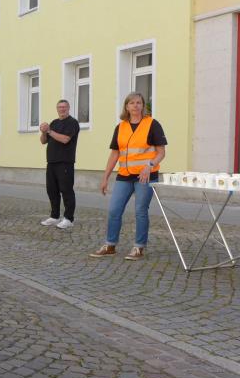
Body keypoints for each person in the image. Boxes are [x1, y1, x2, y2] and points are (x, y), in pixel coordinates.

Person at [90, 92, 167, 261]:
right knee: (114, 210)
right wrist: (105, 178)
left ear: (143, 105)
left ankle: (139, 247)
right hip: (124, 175)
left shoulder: (152, 124)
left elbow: (161, 152)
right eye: (132, 103)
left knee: (140, 211)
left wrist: (150, 165)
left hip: (145, 176)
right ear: (126, 106)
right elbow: (115, 154)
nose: (135, 106)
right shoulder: (121, 127)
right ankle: (110, 245)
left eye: (139, 102)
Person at [39, 100, 80, 229]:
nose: (62, 109)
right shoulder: (54, 123)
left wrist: (49, 131)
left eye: (64, 107)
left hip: (65, 162)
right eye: (59, 107)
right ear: (57, 109)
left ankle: (69, 218)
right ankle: (54, 216)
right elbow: (43, 141)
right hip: (51, 161)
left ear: (68, 108)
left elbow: (65, 139)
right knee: (52, 190)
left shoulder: (72, 122)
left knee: (66, 190)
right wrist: (44, 132)